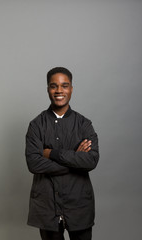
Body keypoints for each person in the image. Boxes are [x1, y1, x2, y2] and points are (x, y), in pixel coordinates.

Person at [25, 67, 99, 240]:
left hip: (79, 203)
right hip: (46, 205)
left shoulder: (84, 124)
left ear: (71, 88)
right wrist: (75, 160)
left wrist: (51, 153)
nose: (59, 91)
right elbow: (34, 163)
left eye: (64, 86)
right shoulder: (36, 125)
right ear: (48, 89)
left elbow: (91, 160)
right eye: (54, 86)